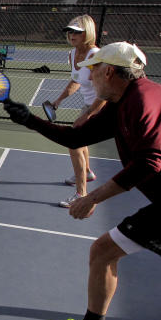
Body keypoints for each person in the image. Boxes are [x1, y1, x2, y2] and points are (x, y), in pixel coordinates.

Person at [2, 42, 161, 320]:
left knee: (103, 251)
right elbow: (75, 137)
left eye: (93, 70)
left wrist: (91, 198)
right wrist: (29, 119)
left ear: (109, 71)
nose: (90, 76)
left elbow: (150, 162)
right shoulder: (124, 99)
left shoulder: (144, 101)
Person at [46, 15, 104, 208]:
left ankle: (81, 194)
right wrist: (58, 101)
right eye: (70, 31)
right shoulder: (73, 54)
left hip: (104, 105)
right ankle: (86, 172)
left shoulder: (96, 56)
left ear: (87, 32)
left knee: (74, 142)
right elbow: (76, 80)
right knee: (80, 140)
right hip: (88, 105)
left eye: (77, 32)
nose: (72, 35)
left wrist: (88, 115)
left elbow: (105, 92)